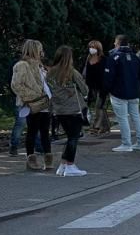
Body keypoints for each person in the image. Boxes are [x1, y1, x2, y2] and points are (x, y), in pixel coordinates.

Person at [46, 45, 89, 176]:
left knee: (70, 137)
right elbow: (85, 90)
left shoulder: (50, 73)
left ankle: (63, 165)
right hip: (74, 109)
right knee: (73, 138)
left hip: (58, 110)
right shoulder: (72, 72)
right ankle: (70, 165)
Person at [10, 39, 53, 171]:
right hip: (32, 104)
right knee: (32, 131)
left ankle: (48, 157)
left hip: (45, 102)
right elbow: (16, 85)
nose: (42, 52)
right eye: (40, 49)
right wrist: (32, 97)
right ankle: (31, 158)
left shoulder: (40, 66)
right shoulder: (22, 65)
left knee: (45, 131)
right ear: (34, 50)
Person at [105, 34, 140, 153]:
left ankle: (126, 143)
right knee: (136, 117)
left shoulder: (114, 57)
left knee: (122, 118)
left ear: (117, 43)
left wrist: (108, 90)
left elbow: (109, 77)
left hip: (119, 93)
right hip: (134, 93)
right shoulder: (136, 57)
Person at [84, 40, 111, 136]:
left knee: (98, 107)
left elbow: (107, 74)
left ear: (98, 48)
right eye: (90, 46)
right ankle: (106, 127)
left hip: (103, 87)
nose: (91, 48)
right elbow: (87, 74)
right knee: (101, 107)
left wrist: (106, 87)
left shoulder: (104, 59)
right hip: (92, 88)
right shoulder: (88, 59)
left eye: (94, 47)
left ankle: (95, 127)